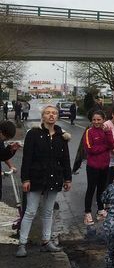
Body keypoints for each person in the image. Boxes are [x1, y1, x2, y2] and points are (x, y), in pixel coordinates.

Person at [16, 105, 72, 257]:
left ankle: (46, 241)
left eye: (54, 113)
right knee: (30, 211)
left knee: (48, 212)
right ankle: (22, 243)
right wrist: (25, 179)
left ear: (57, 116)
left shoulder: (62, 136)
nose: (51, 115)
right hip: (36, 178)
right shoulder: (33, 134)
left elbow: (65, 159)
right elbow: (27, 158)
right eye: (48, 113)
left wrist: (68, 178)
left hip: (54, 178)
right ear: (43, 116)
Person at [83, 111, 114, 235]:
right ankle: (87, 213)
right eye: (94, 120)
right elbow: (90, 149)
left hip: (105, 165)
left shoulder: (107, 131)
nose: (96, 122)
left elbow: (111, 145)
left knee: (102, 189)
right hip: (93, 166)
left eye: (99, 120)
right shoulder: (89, 132)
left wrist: (107, 134)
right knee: (91, 188)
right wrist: (104, 147)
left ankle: (100, 210)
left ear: (103, 120)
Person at [0, 121, 20, 201]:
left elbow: (2, 155)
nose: (6, 139)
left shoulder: (1, 139)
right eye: (6, 137)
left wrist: (11, 149)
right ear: (1, 131)